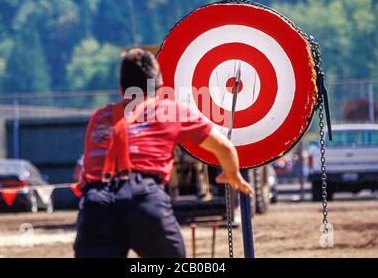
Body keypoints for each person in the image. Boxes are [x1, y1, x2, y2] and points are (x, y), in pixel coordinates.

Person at [73, 48, 252, 258]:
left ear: (121, 88)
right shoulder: (171, 110)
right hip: (143, 199)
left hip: (97, 203)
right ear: (158, 86)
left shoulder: (99, 117)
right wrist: (232, 174)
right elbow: (225, 148)